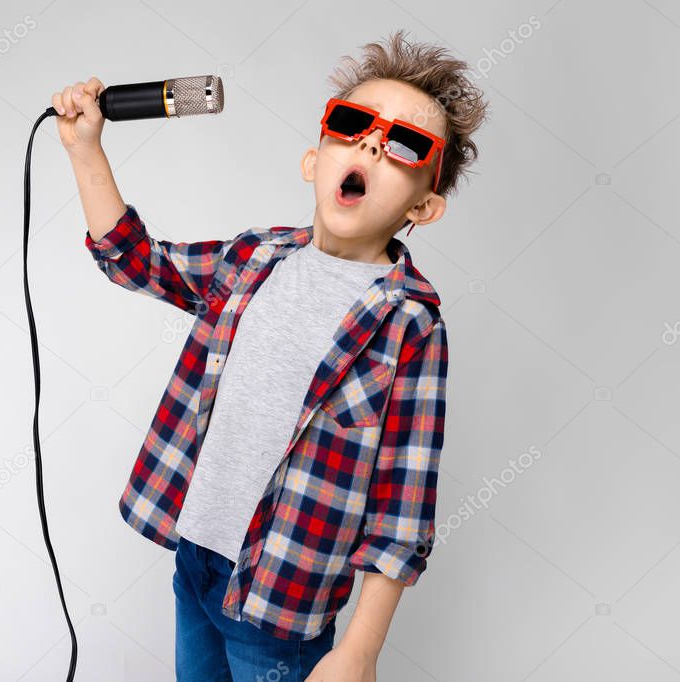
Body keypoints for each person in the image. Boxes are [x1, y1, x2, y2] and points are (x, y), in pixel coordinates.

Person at [54, 29, 489, 682]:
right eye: (353, 124)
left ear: (424, 206)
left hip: (284, 600)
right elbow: (135, 261)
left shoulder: (407, 321)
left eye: (405, 144)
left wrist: (358, 652)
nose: (372, 142)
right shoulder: (250, 258)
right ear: (314, 159)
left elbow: (402, 508)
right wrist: (84, 149)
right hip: (194, 558)